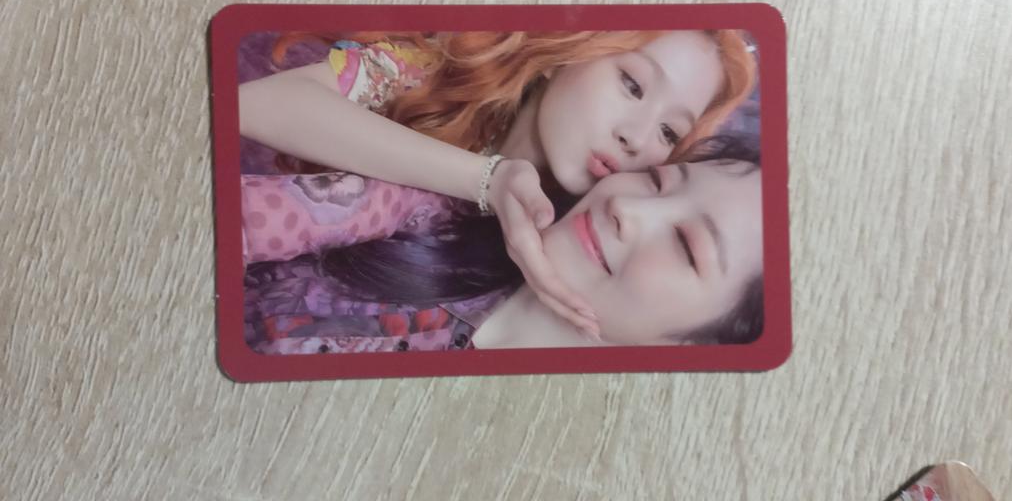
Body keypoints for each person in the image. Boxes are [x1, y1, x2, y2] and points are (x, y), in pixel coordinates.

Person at [238, 31, 757, 332]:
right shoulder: (435, 74)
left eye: (669, 132)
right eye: (632, 84)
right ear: (567, 52)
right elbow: (252, 105)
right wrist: (484, 178)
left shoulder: (572, 247)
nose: (637, 138)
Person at [241, 135, 764, 353]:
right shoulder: (435, 217)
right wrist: (484, 177)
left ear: (703, 350)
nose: (627, 208)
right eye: (657, 180)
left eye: (687, 246)